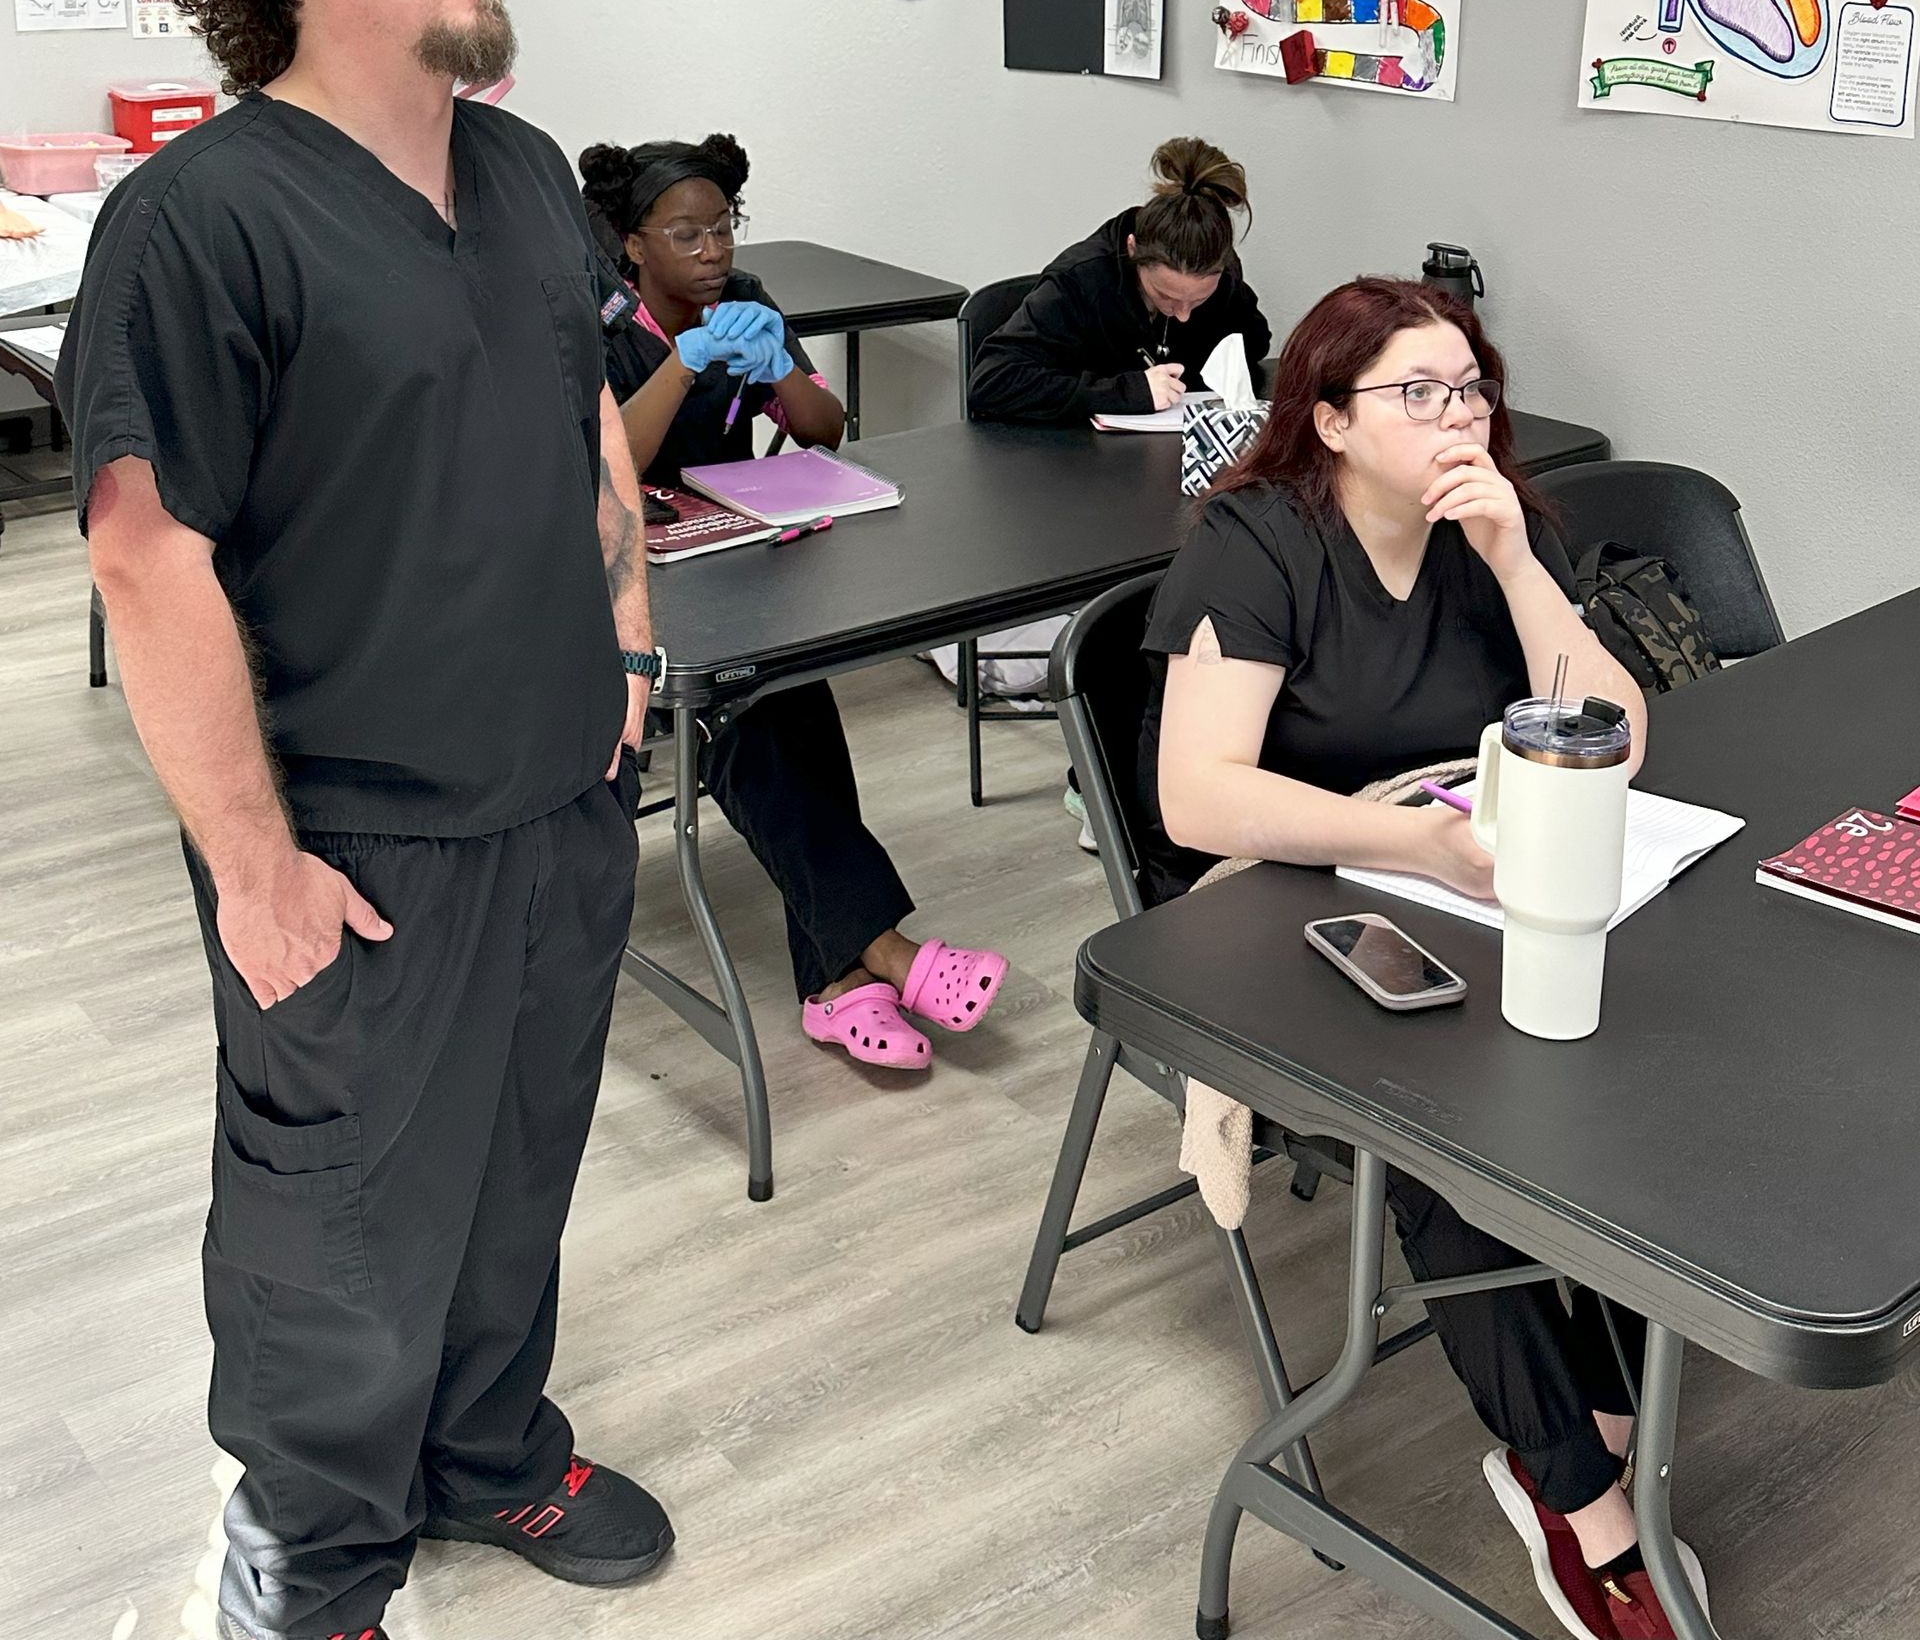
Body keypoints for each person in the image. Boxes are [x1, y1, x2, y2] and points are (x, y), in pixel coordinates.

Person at [58, 0, 673, 1640]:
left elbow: (583, 417)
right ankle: (312, 1555)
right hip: (356, 838)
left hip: (561, 796)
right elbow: (147, 560)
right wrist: (252, 869)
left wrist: (631, 640)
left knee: (516, 1166)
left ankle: (487, 1450)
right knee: (338, 1230)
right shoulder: (202, 221)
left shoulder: (516, 169)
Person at [1143, 277, 1706, 1640]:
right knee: (1447, 1151)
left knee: (1634, 1073)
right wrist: (1404, 848)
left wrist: (1517, 564)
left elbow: (1614, 737)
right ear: (1330, 419)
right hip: (1283, 900)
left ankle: (1607, 1397)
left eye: (1471, 388)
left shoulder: (1488, 530)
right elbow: (1195, 800)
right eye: (1420, 392)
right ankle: (1580, 1495)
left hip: (1466, 874)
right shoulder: (1257, 541)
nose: (1459, 416)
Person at [580, 133, 1008, 1074]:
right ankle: (881, 953)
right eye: (684, 235)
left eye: (723, 230)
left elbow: (825, 426)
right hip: (627, 585)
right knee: (759, 709)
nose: (711, 252)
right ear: (633, 245)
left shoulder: (746, 303)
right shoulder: (596, 321)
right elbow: (610, 466)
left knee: (784, 695)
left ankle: (841, 981)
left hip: (734, 556)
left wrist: (777, 367)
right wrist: (685, 364)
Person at [967, 136, 1270, 426]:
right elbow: (992, 381)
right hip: (1072, 458)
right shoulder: (1080, 282)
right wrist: (1128, 391)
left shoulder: (1224, 275)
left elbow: (1254, 343)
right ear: (1132, 249)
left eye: (1199, 300)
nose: (1183, 314)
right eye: (1166, 296)